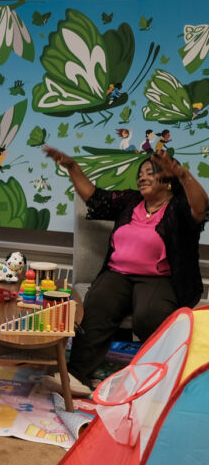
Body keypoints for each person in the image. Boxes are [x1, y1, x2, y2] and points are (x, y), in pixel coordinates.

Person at [44, 144, 209, 394]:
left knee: (151, 315)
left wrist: (183, 174)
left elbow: (201, 208)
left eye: (150, 172)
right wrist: (72, 167)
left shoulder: (178, 207)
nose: (142, 177)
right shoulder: (130, 201)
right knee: (98, 303)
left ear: (167, 181)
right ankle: (76, 375)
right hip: (117, 273)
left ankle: (159, 378)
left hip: (160, 278)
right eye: (140, 173)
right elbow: (94, 197)